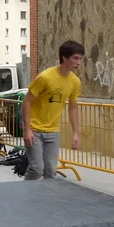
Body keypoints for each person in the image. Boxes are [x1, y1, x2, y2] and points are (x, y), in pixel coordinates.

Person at [21, 41, 84, 180]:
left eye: (80, 59)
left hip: (52, 130)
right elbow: (26, 102)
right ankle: (26, 190)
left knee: (50, 171)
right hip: (34, 128)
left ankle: (45, 194)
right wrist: (27, 129)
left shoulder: (75, 82)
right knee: (37, 169)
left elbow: (73, 107)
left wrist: (75, 133)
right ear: (64, 58)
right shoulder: (45, 77)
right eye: (75, 58)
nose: (78, 62)